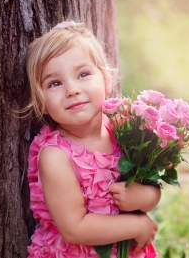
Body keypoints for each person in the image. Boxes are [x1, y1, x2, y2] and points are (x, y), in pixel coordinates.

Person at [23, 21, 161, 258]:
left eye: (83, 74)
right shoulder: (55, 155)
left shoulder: (124, 130)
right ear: (40, 102)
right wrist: (138, 225)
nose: (72, 90)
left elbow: (152, 184)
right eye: (55, 83)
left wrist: (145, 197)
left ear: (107, 81)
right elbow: (74, 229)